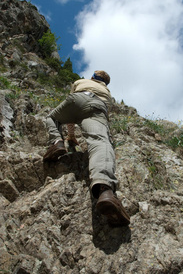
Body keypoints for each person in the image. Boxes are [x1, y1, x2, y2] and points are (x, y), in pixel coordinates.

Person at [43, 70, 130, 226]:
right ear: (105, 83)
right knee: (100, 142)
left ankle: (56, 142)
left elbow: (72, 116)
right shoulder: (107, 93)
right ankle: (104, 190)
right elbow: (102, 114)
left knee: (52, 117)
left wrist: (70, 136)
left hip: (77, 99)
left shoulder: (79, 82)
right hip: (96, 106)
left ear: (92, 77)